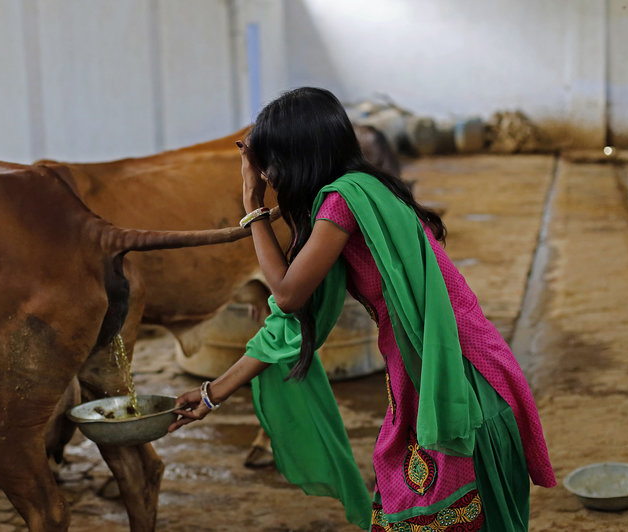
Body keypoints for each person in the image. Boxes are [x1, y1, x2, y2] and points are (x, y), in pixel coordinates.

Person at [169, 87, 556, 531]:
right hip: (439, 370)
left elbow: (289, 295)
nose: (268, 174)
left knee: (429, 514)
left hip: (458, 380)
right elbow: (291, 323)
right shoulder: (365, 191)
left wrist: (252, 206)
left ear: (301, 154)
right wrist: (210, 393)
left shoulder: (344, 201)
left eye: (270, 161)